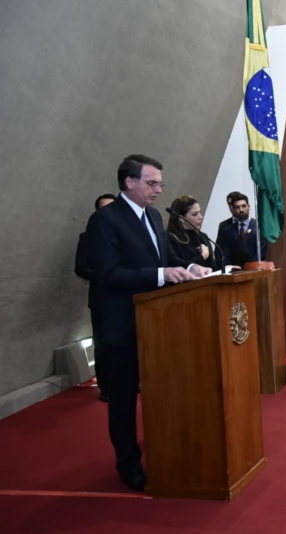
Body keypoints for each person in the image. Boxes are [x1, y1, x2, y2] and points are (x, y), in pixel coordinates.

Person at [86, 155, 211, 492]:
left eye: (160, 183)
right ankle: (128, 465)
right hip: (123, 326)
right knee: (124, 401)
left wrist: (190, 268)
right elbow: (109, 274)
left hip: (158, 325)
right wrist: (161, 274)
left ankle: (165, 450)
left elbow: (165, 259)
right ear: (129, 182)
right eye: (152, 182)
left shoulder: (155, 216)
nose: (159, 189)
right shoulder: (106, 220)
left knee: (161, 394)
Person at [75, 193, 116, 402]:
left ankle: (131, 381)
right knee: (102, 344)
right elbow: (80, 267)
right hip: (101, 298)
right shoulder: (88, 237)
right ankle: (106, 387)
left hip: (126, 297)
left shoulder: (124, 236)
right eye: (104, 209)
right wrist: (105, 276)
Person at [166, 195, 222, 270]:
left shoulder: (203, 236)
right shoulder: (170, 239)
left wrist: (225, 271)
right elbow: (179, 269)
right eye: (195, 214)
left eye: (200, 213)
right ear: (181, 218)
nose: (200, 217)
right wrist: (203, 256)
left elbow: (212, 266)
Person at [217, 192, 269, 268]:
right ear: (233, 210)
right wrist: (230, 268)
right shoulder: (227, 230)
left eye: (243, 206)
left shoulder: (259, 228)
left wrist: (249, 268)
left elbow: (261, 253)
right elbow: (225, 254)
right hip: (234, 272)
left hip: (254, 270)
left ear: (249, 207)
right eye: (237, 207)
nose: (241, 210)